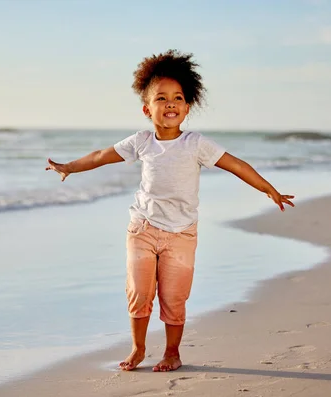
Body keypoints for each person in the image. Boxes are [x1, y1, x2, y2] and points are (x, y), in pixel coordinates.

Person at [45, 50, 295, 372]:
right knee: (138, 293)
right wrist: (70, 167)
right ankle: (137, 349)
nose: (170, 103)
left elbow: (236, 165)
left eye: (177, 97)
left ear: (187, 107)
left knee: (175, 299)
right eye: (161, 98)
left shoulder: (196, 144)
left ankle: (172, 352)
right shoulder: (142, 141)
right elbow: (101, 155)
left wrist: (269, 189)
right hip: (143, 228)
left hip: (181, 234)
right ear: (148, 109)